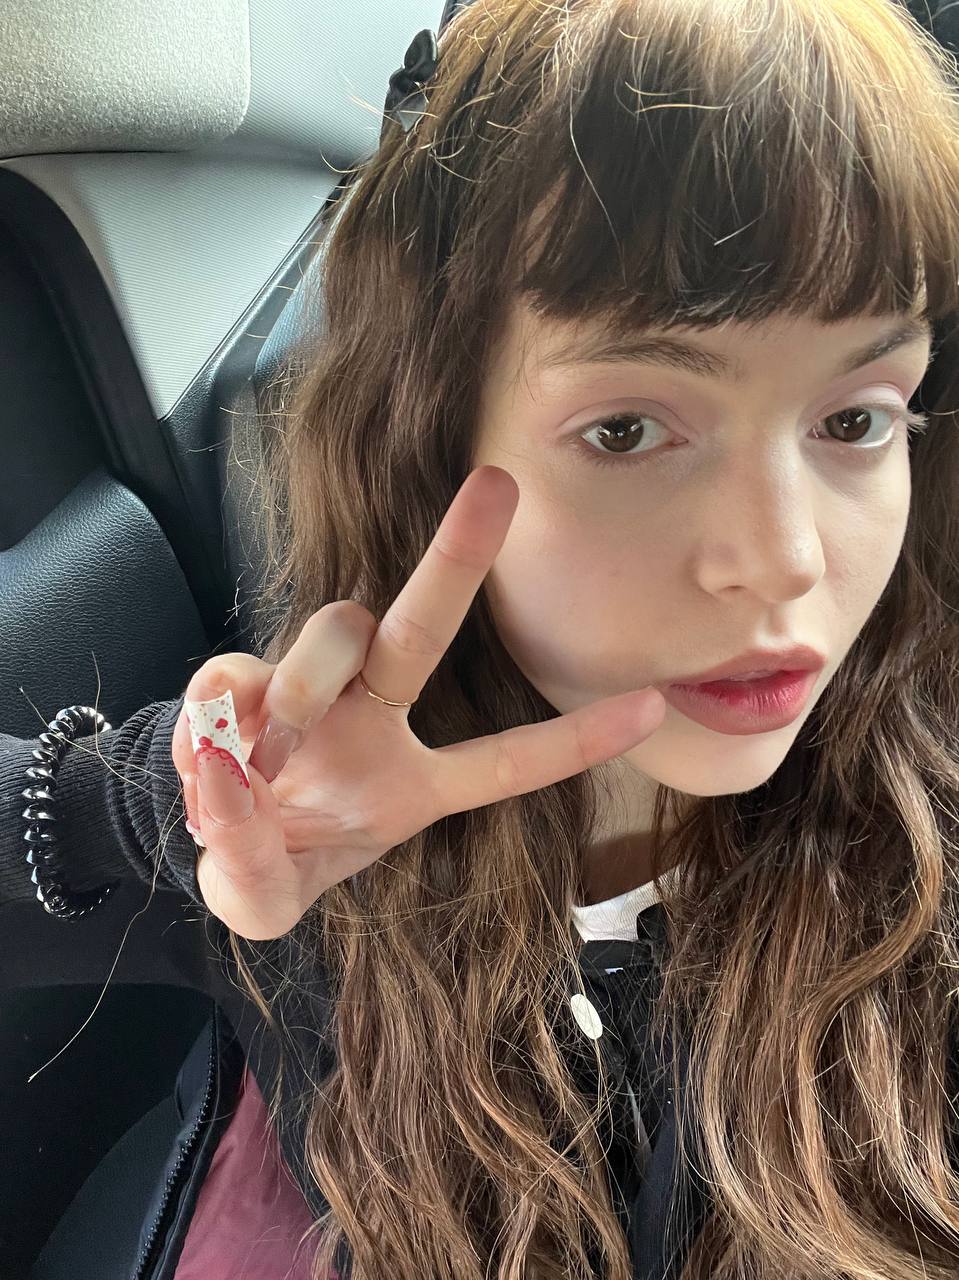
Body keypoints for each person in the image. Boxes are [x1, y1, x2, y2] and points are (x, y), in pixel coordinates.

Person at [4, 0, 959, 1276]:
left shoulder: (928, 853)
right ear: (434, 444)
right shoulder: (309, 844)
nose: (785, 557)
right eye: (626, 429)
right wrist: (157, 809)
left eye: (854, 419)